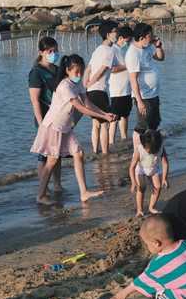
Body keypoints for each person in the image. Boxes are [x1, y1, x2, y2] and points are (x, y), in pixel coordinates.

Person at [30, 55, 117, 203]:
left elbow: (88, 103)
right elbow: (81, 108)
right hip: (54, 126)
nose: (79, 74)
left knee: (79, 153)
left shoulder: (78, 84)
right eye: (76, 71)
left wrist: (104, 114)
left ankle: (84, 192)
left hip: (65, 127)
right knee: (51, 161)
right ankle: (41, 195)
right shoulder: (64, 86)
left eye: (81, 71)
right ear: (67, 70)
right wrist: (103, 117)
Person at [29, 37, 63, 203]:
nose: (53, 54)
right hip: (45, 118)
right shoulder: (36, 72)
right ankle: (44, 188)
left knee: (57, 153)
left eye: (55, 50)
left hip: (59, 117)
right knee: (45, 154)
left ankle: (57, 184)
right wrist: (41, 122)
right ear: (41, 53)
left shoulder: (57, 69)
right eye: (50, 51)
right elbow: (35, 100)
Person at [85, 21, 121, 154]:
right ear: (108, 34)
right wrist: (91, 82)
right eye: (115, 31)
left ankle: (95, 151)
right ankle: (105, 154)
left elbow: (88, 69)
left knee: (95, 124)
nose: (117, 34)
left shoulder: (97, 49)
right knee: (105, 123)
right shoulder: (110, 51)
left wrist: (85, 85)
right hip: (100, 91)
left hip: (90, 92)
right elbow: (101, 70)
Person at [127, 23, 165, 134]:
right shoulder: (133, 53)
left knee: (154, 122)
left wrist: (158, 46)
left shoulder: (147, 47)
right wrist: (139, 101)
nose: (153, 37)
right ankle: (137, 151)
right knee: (142, 126)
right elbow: (133, 79)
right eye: (150, 35)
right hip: (143, 96)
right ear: (141, 37)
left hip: (153, 93)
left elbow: (161, 58)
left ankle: (151, 147)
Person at [129, 130, 169, 216]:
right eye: (149, 151)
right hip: (141, 169)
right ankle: (139, 210)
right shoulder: (139, 149)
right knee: (141, 188)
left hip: (154, 168)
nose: (151, 152)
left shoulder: (160, 147)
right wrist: (133, 182)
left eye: (154, 151)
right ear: (144, 145)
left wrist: (165, 178)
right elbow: (132, 167)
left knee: (158, 187)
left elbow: (165, 163)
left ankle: (151, 207)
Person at [109, 26, 134, 144]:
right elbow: (112, 69)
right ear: (120, 38)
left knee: (125, 115)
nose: (128, 43)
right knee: (114, 118)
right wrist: (127, 66)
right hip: (117, 90)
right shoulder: (112, 50)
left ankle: (124, 140)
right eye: (127, 40)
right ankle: (110, 143)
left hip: (127, 89)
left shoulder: (126, 50)